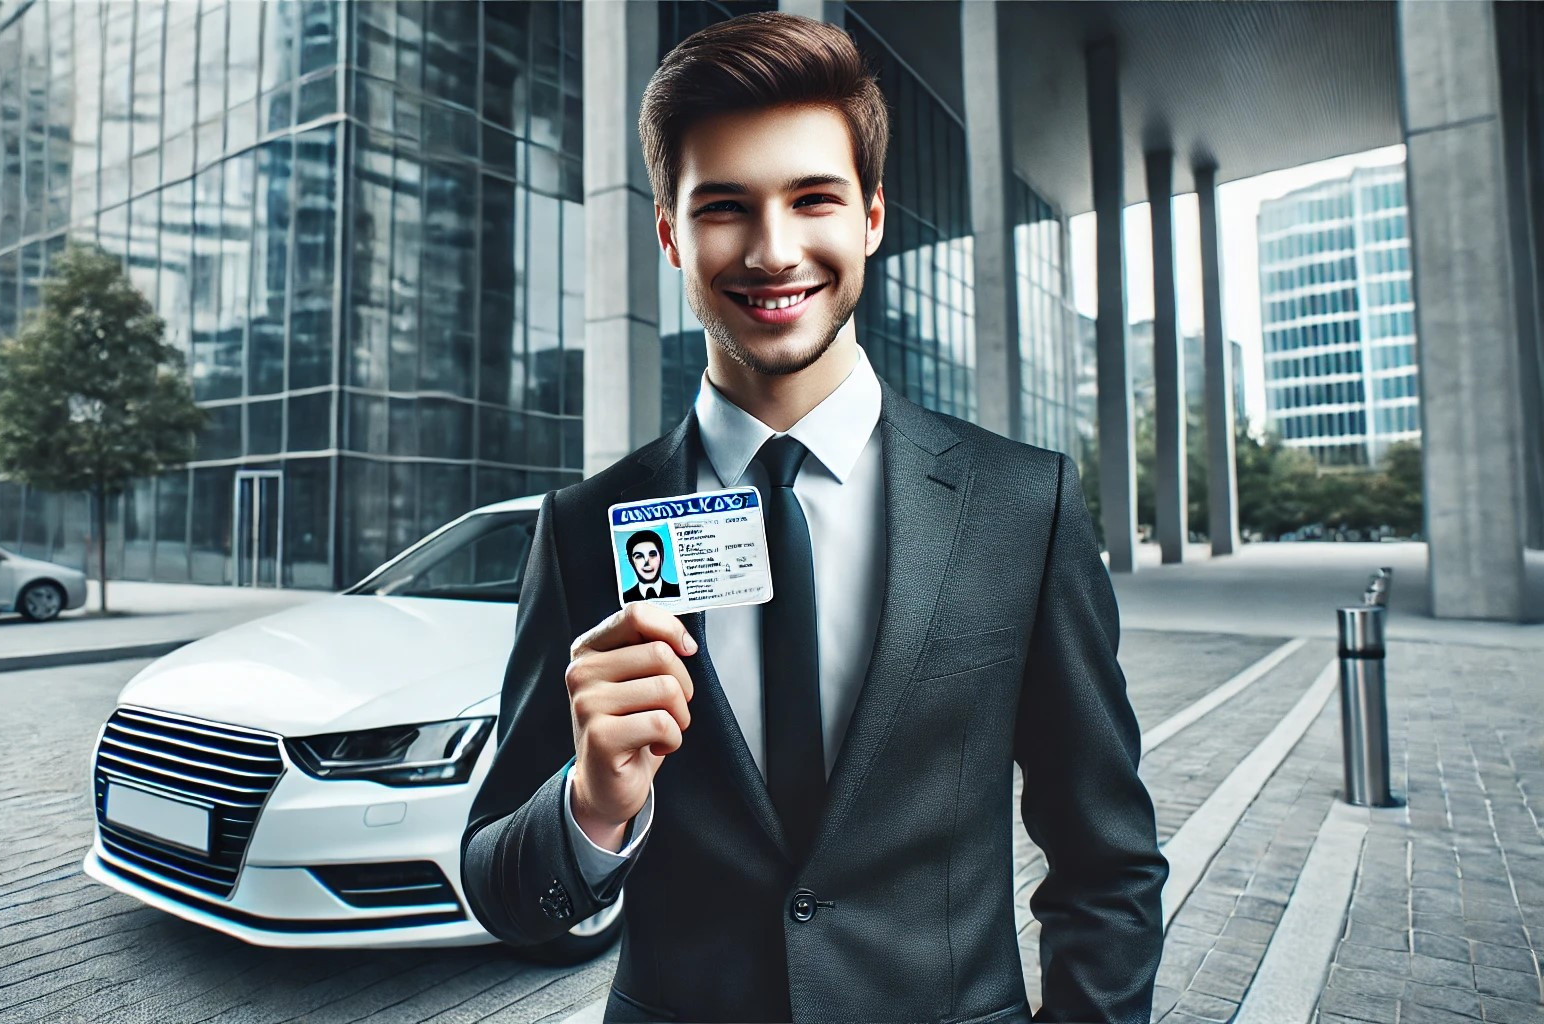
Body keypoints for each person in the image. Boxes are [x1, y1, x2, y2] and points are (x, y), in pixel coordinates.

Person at [461, 12, 1167, 1024]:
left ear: (872, 216)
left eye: (813, 198)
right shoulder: (584, 526)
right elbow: (499, 884)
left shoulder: (1023, 505)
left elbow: (1108, 861)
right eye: (724, 207)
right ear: (669, 232)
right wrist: (589, 805)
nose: (772, 249)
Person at [622, 530, 681, 603]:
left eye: (652, 554)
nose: (647, 562)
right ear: (631, 561)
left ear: (661, 556)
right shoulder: (624, 599)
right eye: (639, 556)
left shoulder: (679, 591)